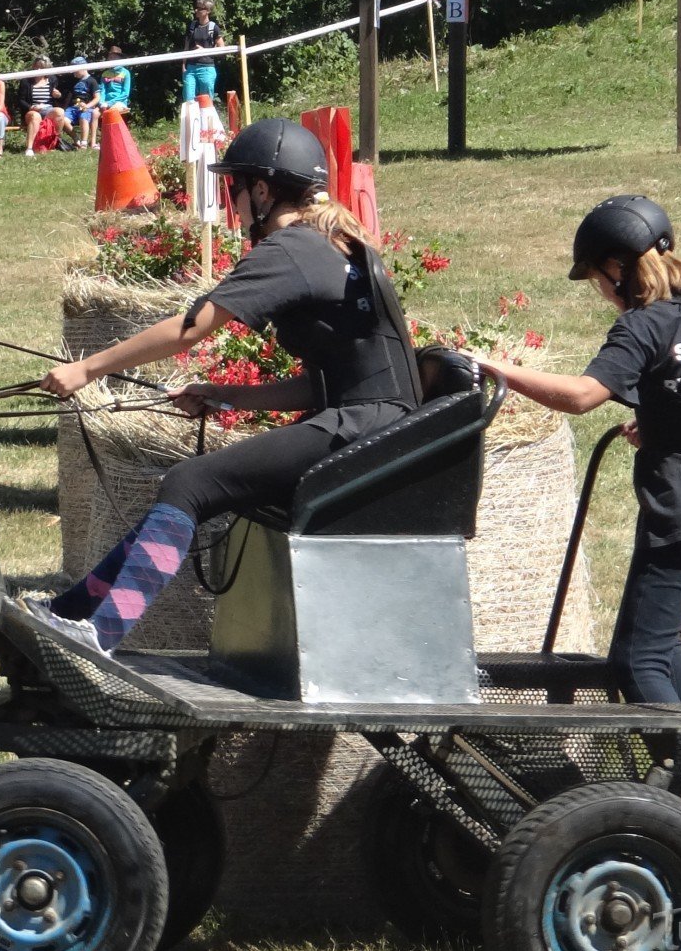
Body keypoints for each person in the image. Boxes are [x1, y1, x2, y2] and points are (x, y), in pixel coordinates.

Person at [26, 119, 422, 655]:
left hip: (364, 429)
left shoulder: (292, 250)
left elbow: (191, 327)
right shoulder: (329, 244)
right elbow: (329, 382)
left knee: (189, 484)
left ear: (262, 190)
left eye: (233, 188)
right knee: (193, 487)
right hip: (379, 424)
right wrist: (231, 394)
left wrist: (86, 369)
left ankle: (100, 636)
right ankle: (70, 612)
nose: (232, 205)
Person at [475, 196, 681, 813]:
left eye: (597, 279)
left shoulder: (641, 323)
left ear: (615, 267)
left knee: (637, 660)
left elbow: (582, 397)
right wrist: (666, 422)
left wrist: (493, 368)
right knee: (662, 644)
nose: (600, 292)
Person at [16, 52, 67, 156]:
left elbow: (59, 98)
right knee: (35, 116)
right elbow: (20, 100)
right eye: (37, 67)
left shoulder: (52, 79)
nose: (38, 70)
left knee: (60, 112)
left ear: (47, 68)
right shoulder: (26, 81)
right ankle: (29, 148)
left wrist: (58, 95)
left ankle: (54, 142)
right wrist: (31, 107)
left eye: (42, 67)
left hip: (48, 109)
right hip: (32, 110)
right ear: (33, 66)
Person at [183, 0, 224, 103]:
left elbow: (221, 48)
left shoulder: (213, 27)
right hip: (190, 68)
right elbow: (186, 47)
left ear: (208, 11)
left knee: (205, 101)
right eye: (196, 8)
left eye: (199, 8)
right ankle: (191, 120)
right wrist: (183, 66)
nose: (196, 10)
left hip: (206, 68)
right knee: (188, 100)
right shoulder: (192, 26)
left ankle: (206, 120)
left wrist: (204, 50)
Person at [63, 56, 101, 150]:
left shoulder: (92, 81)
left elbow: (97, 98)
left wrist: (87, 106)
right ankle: (76, 139)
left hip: (86, 107)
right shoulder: (74, 81)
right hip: (73, 108)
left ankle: (84, 142)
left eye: (75, 70)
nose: (74, 73)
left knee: (83, 117)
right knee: (63, 120)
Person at [98, 46, 132, 111]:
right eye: (110, 57)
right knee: (94, 113)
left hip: (120, 102)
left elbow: (125, 93)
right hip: (105, 102)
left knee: (112, 111)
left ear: (120, 58)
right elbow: (103, 90)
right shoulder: (105, 74)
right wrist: (101, 102)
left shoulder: (125, 73)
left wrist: (109, 103)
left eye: (114, 57)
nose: (111, 59)